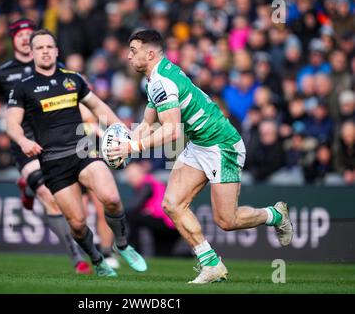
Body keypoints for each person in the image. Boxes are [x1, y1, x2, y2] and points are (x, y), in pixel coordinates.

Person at [108, 29, 293, 284]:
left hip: (222, 145)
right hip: (200, 144)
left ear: (149, 54)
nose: (128, 57)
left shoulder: (162, 81)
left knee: (226, 220)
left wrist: (133, 148)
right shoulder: (154, 78)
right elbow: (147, 122)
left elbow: (172, 131)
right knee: (171, 204)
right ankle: (211, 264)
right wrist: (129, 140)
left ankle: (275, 215)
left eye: (133, 51)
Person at [0, 19, 91, 274]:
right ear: (12, 40)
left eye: (29, 34)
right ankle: (77, 259)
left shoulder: (55, 67)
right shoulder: (3, 73)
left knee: (71, 204)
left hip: (56, 142)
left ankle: (27, 188)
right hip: (24, 144)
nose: (25, 38)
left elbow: (76, 97)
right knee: (48, 196)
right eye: (20, 35)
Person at [6, 29, 147, 277]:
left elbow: (98, 106)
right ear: (32, 52)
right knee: (78, 224)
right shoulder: (23, 88)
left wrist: (123, 132)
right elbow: (11, 124)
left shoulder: (73, 79)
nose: (45, 51)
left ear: (57, 50)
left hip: (83, 152)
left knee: (111, 198)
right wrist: (21, 141)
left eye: (49, 47)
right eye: (39, 48)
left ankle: (122, 245)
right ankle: (96, 259)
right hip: (52, 163)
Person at [125, 160, 180, 256]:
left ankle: (130, 250)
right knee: (163, 256)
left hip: (167, 224)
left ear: (142, 172)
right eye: (128, 175)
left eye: (132, 175)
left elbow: (135, 207)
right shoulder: (151, 182)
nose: (130, 179)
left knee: (132, 216)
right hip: (170, 225)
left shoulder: (148, 184)